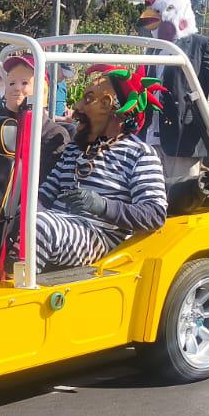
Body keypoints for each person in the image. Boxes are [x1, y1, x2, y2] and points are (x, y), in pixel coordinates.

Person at [30, 65, 167, 270]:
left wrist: (101, 205)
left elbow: (154, 214)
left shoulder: (140, 154)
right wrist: (23, 216)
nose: (76, 107)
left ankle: (17, 295)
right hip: (57, 226)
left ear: (108, 104)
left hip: (100, 234)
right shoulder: (74, 150)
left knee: (38, 227)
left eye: (87, 99)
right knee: (18, 219)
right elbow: (45, 194)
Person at [136, 0, 209, 183]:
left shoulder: (200, 45)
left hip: (182, 136)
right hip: (149, 137)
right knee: (148, 196)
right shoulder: (153, 49)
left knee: (180, 199)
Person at [0, 54, 71, 181]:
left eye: (24, 83)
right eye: (11, 83)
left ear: (42, 90)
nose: (16, 88)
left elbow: (47, 183)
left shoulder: (54, 134)